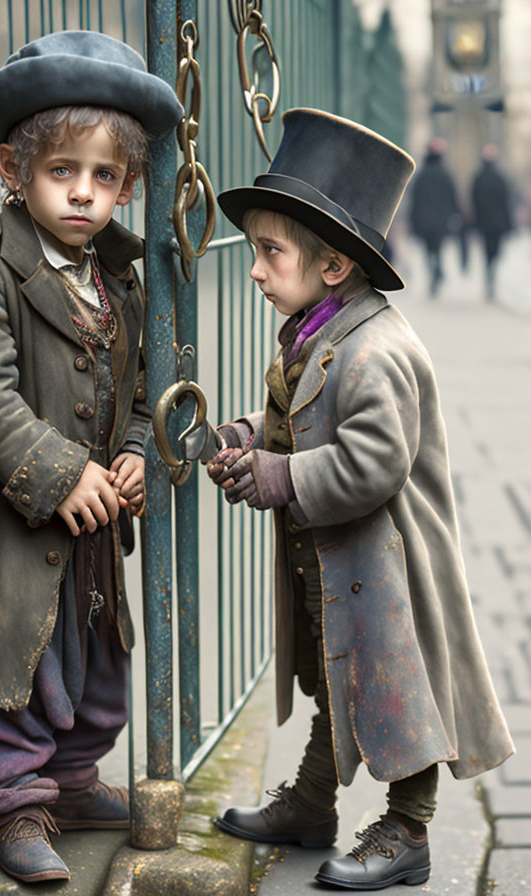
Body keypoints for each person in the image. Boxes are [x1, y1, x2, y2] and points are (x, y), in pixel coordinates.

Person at [0, 31, 182, 884]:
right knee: (7, 668)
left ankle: (72, 779)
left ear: (127, 186)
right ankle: (13, 805)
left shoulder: (125, 282)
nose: (83, 195)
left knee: (96, 668)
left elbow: (140, 393)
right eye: (63, 172)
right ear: (14, 168)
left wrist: (135, 453)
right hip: (13, 527)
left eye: (103, 178)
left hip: (95, 530)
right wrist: (61, 473)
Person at [206, 109, 514, 891]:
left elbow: (374, 463)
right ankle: (312, 804)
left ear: (334, 264)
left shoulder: (378, 349)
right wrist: (250, 432)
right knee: (339, 684)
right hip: (344, 566)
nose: (254, 269)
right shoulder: (318, 326)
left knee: (398, 698)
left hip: (391, 574)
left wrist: (280, 477)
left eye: (269, 252)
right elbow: (300, 415)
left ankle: (408, 830)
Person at [408, 137, 462, 295]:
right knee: (438, 249)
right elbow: (453, 199)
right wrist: (456, 216)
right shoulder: (446, 175)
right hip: (441, 221)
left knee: (427, 250)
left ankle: (433, 272)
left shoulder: (421, 175)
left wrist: (413, 220)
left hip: (424, 220)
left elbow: (415, 200)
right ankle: (437, 270)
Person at [471, 144, 512, 299]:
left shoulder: (479, 178)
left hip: (485, 223)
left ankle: (490, 274)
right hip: (497, 223)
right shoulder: (500, 178)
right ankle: (491, 274)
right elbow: (506, 202)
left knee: (488, 251)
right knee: (495, 251)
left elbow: (474, 202)